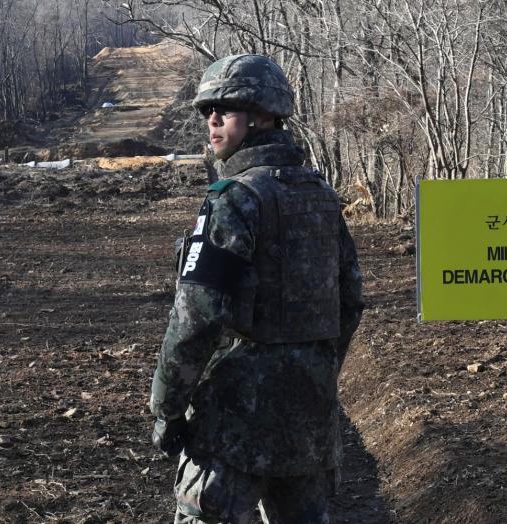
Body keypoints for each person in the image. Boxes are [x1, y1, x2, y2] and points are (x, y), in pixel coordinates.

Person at [150, 54, 364, 524]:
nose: (212, 120)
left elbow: (195, 317)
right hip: (308, 423)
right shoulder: (321, 196)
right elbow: (350, 300)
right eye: (209, 110)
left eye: (225, 110)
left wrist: (166, 406)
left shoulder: (235, 200)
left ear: (263, 116)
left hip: (235, 428)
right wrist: (313, 366)